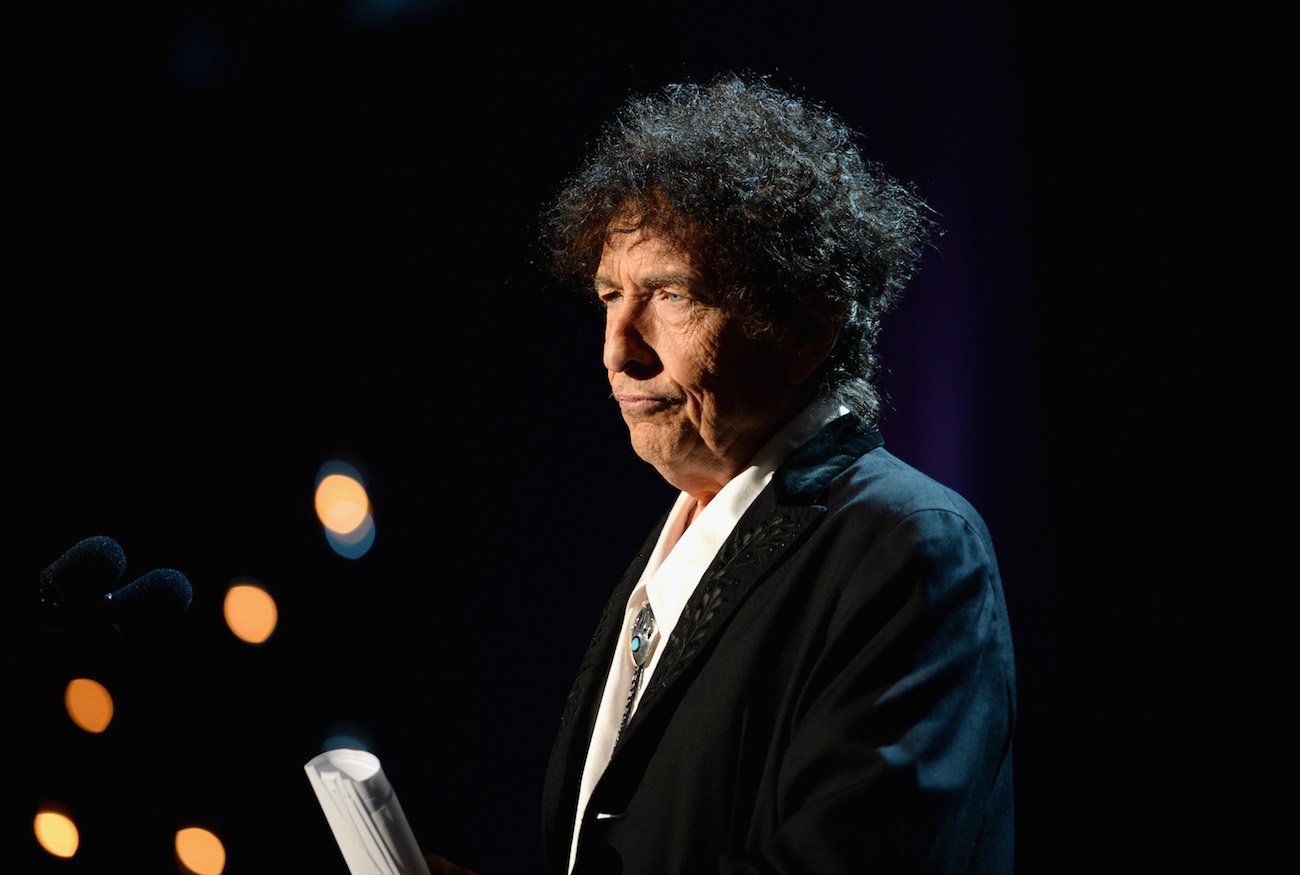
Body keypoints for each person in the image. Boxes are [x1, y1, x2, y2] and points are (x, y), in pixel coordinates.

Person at [533, 70, 1017, 875]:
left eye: (670, 294)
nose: (618, 347)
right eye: (610, 295)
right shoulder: (679, 538)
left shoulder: (909, 547)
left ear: (806, 329)